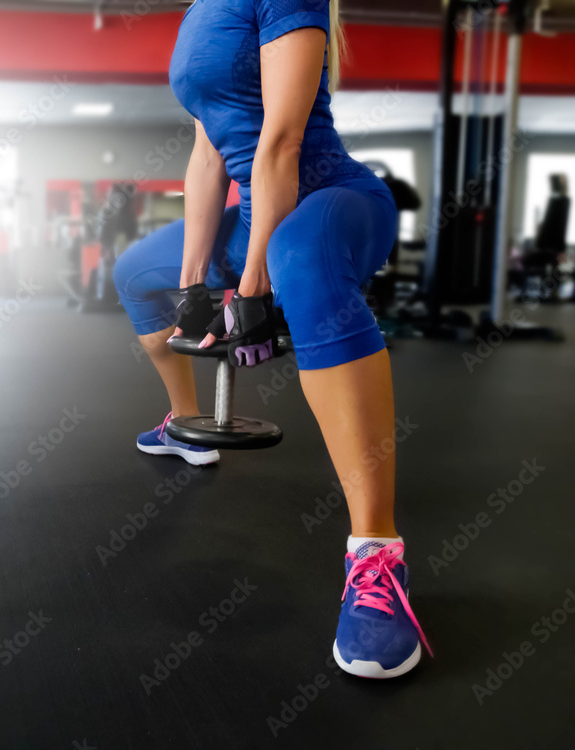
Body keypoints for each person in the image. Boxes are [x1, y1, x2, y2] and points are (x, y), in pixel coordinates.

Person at [113, 0, 431, 678]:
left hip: (332, 200)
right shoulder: (199, 12)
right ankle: (184, 421)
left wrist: (252, 288)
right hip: (255, 209)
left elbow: (282, 143)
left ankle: (377, 556)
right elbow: (206, 159)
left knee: (300, 260)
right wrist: (197, 287)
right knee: (136, 271)